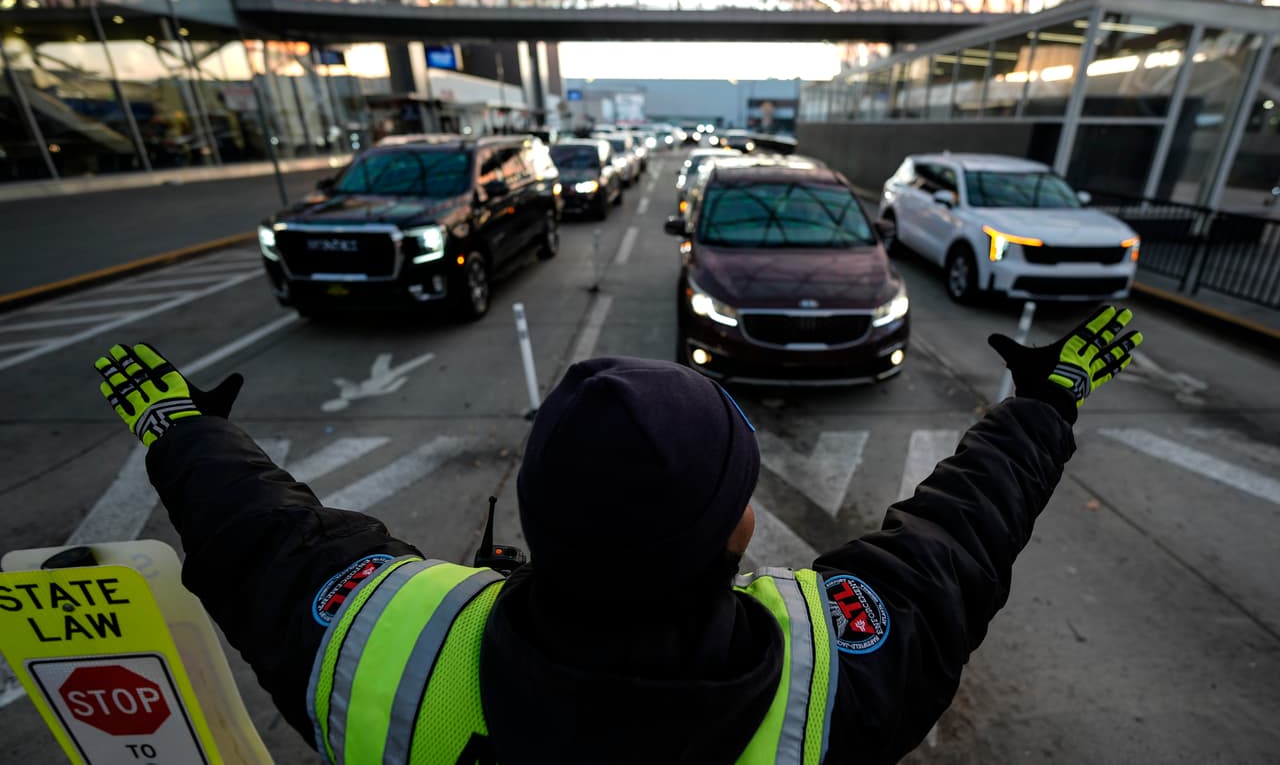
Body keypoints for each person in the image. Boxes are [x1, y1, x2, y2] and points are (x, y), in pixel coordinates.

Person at [93, 306, 1143, 764]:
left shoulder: (381, 649)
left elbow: (260, 536)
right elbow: (960, 532)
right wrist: (1042, 404)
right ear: (739, 529)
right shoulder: (839, 680)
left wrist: (178, 429)